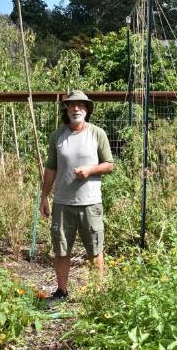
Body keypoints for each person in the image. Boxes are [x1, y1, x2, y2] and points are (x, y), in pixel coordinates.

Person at [40, 90, 114, 300]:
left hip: (90, 203)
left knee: (94, 249)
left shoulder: (97, 133)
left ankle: (97, 293)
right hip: (62, 203)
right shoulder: (57, 136)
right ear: (67, 109)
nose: (76, 109)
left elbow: (109, 165)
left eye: (81, 105)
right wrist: (44, 196)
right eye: (72, 105)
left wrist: (90, 170)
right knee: (61, 249)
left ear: (87, 110)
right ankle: (62, 291)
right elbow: (50, 168)